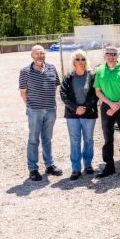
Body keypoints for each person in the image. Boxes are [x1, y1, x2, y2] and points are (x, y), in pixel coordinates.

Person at [19, 45, 63, 181]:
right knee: (33, 140)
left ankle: (49, 165)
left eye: (42, 54)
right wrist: (31, 107)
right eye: (37, 54)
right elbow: (23, 92)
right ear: (32, 55)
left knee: (47, 139)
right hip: (35, 111)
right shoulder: (25, 71)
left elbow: (55, 86)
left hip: (50, 110)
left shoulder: (52, 68)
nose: (40, 56)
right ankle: (33, 169)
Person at [93, 46, 120, 179]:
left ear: (117, 56)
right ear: (105, 56)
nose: (111, 56)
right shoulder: (100, 70)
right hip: (106, 107)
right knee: (107, 138)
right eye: (108, 54)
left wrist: (117, 106)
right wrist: (110, 105)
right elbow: (97, 91)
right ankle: (109, 167)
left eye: (114, 54)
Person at [60, 50, 98, 180]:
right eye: (77, 59)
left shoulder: (92, 75)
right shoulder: (68, 77)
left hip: (89, 114)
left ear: (85, 61)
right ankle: (76, 169)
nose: (80, 61)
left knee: (88, 140)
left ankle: (87, 165)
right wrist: (76, 108)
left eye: (82, 59)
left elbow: (95, 95)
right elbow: (63, 94)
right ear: (73, 61)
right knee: (75, 141)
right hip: (72, 115)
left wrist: (85, 107)